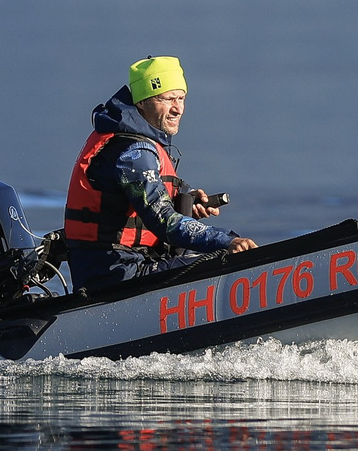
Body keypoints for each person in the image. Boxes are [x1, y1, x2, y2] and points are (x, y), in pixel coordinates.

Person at [63, 55, 256, 291]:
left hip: (123, 267)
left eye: (181, 98)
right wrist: (227, 241)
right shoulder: (134, 152)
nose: (178, 108)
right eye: (168, 99)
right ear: (142, 102)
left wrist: (186, 202)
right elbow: (164, 221)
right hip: (119, 274)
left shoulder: (132, 142)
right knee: (230, 262)